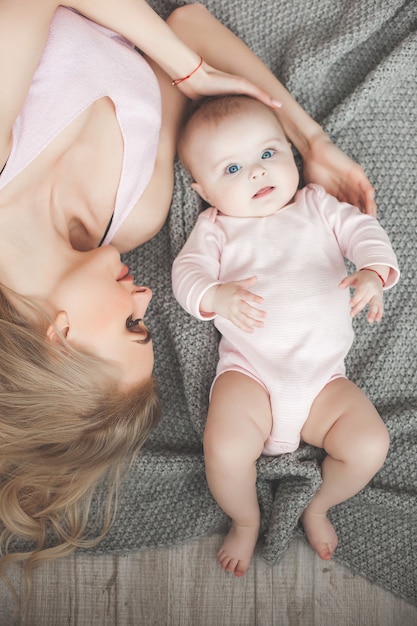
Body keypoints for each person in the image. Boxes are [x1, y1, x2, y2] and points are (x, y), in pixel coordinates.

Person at [0, 0, 379, 582]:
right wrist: (310, 140)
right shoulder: (135, 215)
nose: (146, 298)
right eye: (147, 322)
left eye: (131, 326)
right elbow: (189, 28)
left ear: (59, 337)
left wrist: (187, 68)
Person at [172, 94, 400, 577]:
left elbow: (365, 230)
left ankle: (318, 506)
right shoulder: (215, 228)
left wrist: (374, 272)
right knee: (227, 448)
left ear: (292, 157)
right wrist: (216, 296)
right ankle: (246, 517)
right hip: (250, 375)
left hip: (324, 383)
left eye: (268, 155)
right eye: (231, 170)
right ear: (204, 191)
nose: (256, 172)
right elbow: (186, 275)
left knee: (370, 445)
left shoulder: (317, 206)